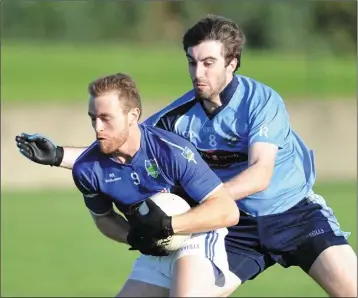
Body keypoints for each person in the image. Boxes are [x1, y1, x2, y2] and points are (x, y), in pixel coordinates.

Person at [16, 15, 357, 297]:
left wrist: (198, 208)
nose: (198, 73)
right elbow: (123, 142)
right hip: (236, 229)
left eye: (209, 63)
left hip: (295, 215)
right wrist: (59, 155)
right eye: (192, 62)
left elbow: (260, 174)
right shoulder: (176, 117)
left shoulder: (260, 102)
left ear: (232, 63)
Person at [16, 72, 242, 297]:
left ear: (133, 115)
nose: (97, 127)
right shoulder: (86, 168)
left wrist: (170, 225)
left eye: (106, 118)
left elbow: (227, 210)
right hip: (157, 249)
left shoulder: (171, 151)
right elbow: (104, 219)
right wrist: (133, 237)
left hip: (196, 238)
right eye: (92, 117)